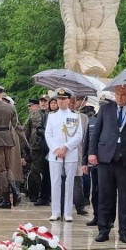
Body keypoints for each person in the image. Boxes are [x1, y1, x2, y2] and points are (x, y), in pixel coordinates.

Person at [88, 84, 126, 243]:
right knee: (105, 196)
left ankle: (124, 231)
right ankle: (104, 229)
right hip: (106, 158)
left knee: (125, 197)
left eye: (123, 94)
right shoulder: (105, 109)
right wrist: (91, 153)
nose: (120, 97)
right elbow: (96, 132)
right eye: (117, 94)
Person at [44, 88, 82, 221]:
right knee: (55, 182)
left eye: (63, 99)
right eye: (58, 99)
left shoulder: (75, 115)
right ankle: (55, 211)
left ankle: (67, 212)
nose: (61, 101)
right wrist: (56, 149)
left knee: (69, 183)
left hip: (70, 153)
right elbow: (48, 134)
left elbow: (78, 135)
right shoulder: (52, 116)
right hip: (55, 154)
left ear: (69, 100)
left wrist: (66, 147)